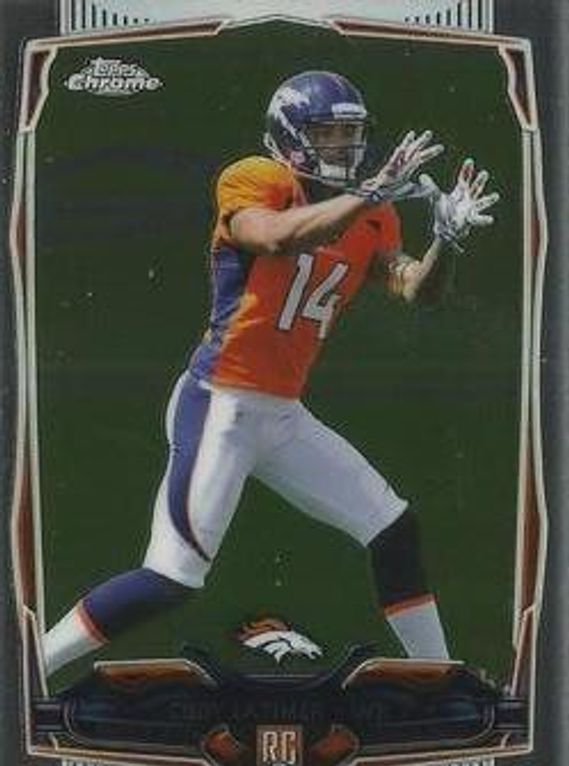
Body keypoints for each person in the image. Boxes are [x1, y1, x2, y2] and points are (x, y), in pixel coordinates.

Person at [42, 70, 499, 677]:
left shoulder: (373, 214)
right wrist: (369, 193)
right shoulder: (257, 180)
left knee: (394, 528)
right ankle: (28, 668)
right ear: (289, 136)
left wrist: (445, 240)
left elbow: (416, 288)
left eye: (350, 133)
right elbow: (276, 238)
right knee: (172, 576)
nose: (343, 145)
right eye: (327, 133)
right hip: (221, 404)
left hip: (281, 414)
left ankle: (439, 682)